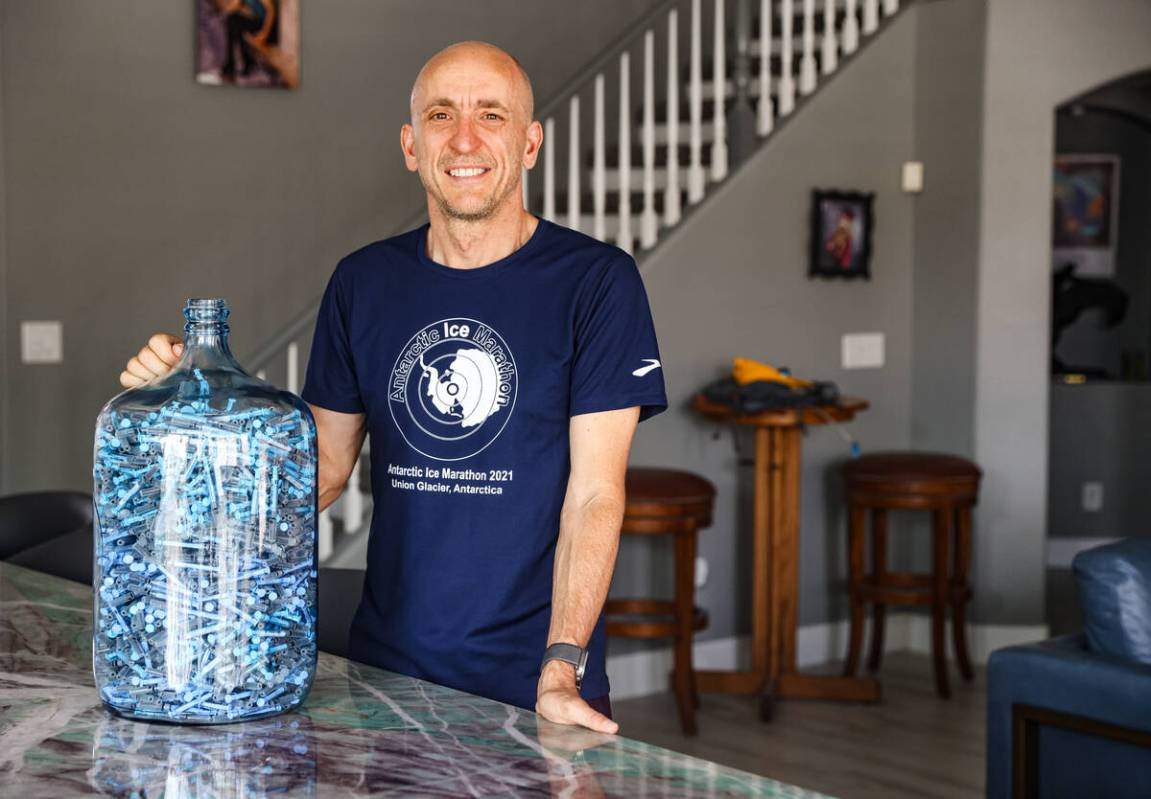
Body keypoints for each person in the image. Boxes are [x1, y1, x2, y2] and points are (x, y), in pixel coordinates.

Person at [119, 41, 667, 734]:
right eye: (441, 115)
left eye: (490, 115)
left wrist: (560, 668)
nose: (464, 138)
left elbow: (594, 495)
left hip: (530, 684)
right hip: (383, 680)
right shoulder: (362, 283)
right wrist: (195, 405)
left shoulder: (596, 283)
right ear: (411, 145)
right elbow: (318, 471)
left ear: (530, 144)